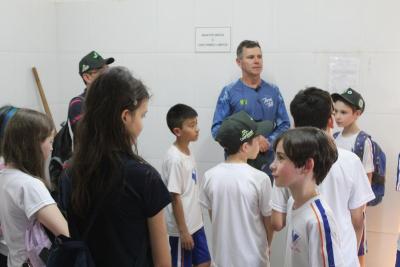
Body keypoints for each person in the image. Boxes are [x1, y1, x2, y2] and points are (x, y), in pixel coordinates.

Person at [67, 66, 171, 267]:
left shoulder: (72, 173)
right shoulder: (144, 178)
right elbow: (163, 262)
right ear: (125, 117)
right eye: (142, 115)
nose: (141, 124)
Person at [271, 87, 375, 267]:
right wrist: (350, 253)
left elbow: (277, 221)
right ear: (330, 121)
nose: (274, 164)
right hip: (342, 255)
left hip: (305, 254)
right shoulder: (350, 161)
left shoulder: (287, 163)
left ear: (294, 123)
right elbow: (358, 218)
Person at [200, 111, 274, 267]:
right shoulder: (260, 179)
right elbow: (269, 222)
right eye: (257, 138)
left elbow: (214, 217)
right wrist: (268, 246)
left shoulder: (209, 177)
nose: (260, 140)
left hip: (222, 259)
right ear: (245, 146)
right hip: (254, 260)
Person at [0, 108, 69, 267]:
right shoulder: (29, 185)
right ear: (33, 143)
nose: (52, 148)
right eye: (50, 141)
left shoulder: (5, 176)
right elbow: (65, 233)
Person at [211, 40, 290, 177]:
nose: (257, 61)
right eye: (251, 57)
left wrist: (269, 142)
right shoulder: (229, 92)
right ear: (239, 62)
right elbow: (217, 129)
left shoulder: (273, 91)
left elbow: (284, 124)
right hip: (238, 165)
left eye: (259, 57)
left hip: (269, 163)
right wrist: (249, 141)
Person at [270, 127, 343, 267]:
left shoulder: (318, 221)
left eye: (280, 158)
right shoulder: (293, 203)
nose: (272, 165)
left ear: (307, 165)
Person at [161, 104, 211, 267]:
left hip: (196, 224)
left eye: (196, 123)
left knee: (205, 262)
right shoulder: (175, 159)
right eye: (191, 125)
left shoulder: (187, 151)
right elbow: (174, 197)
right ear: (177, 131)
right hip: (183, 229)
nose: (197, 129)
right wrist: (183, 232)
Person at [332, 88, 372, 267]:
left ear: (357, 113)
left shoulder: (363, 142)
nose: (337, 116)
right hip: (336, 205)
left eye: (343, 112)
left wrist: (359, 211)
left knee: (356, 251)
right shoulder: (332, 138)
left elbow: (367, 180)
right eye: (335, 111)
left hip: (354, 209)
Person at [68, 50, 114, 135]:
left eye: (107, 69)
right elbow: (87, 138)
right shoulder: (77, 104)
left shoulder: (110, 100)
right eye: (102, 71)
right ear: (87, 77)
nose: (108, 74)